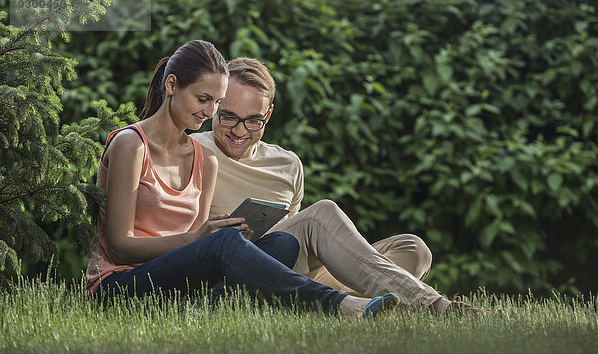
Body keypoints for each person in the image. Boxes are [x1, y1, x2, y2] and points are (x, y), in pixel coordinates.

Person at [85, 40, 400, 317]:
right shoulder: (131, 144)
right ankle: (337, 304)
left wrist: (216, 239)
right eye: (202, 99)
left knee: (282, 243)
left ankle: (199, 311)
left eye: (216, 103)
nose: (209, 112)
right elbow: (119, 247)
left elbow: (195, 253)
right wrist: (201, 240)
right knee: (222, 242)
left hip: (175, 287)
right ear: (171, 85)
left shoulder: (203, 158)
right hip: (119, 288)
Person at [191, 57, 497, 316]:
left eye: (253, 121)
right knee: (320, 214)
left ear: (268, 114)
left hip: (291, 268)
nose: (239, 131)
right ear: (215, 106)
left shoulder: (287, 163)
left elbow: (294, 236)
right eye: (228, 117)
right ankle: (437, 306)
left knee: (413, 250)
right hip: (233, 271)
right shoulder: (193, 151)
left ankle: (346, 304)